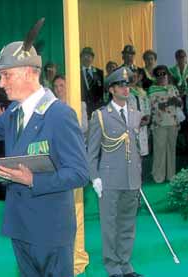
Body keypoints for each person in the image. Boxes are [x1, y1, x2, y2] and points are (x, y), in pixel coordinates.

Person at [0, 24, 89, 276]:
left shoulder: (59, 114)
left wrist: (34, 180)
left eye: (7, 75)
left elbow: (79, 173)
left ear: (30, 74)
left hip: (50, 228)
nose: (1, 82)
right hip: (20, 225)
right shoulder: (13, 113)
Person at [87, 67, 144, 277]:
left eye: (127, 84)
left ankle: (125, 265)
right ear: (111, 89)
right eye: (121, 85)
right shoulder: (101, 116)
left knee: (128, 225)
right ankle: (113, 267)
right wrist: (94, 178)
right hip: (109, 179)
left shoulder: (135, 114)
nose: (125, 88)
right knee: (110, 226)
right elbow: (91, 152)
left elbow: (137, 148)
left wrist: (139, 176)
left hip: (131, 179)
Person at [148, 65, 183, 183]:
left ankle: (171, 176)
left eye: (164, 73)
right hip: (159, 123)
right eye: (159, 74)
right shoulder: (152, 89)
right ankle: (158, 176)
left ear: (167, 74)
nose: (162, 76)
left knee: (171, 149)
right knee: (159, 150)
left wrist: (177, 101)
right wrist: (169, 102)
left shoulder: (173, 88)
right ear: (155, 77)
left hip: (173, 123)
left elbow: (180, 103)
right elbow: (153, 107)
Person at [80, 47, 104, 118]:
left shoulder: (99, 73)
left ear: (92, 58)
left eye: (89, 56)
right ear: (81, 58)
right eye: (85, 55)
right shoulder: (76, 73)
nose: (87, 58)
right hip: (83, 109)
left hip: (97, 109)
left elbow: (102, 92)